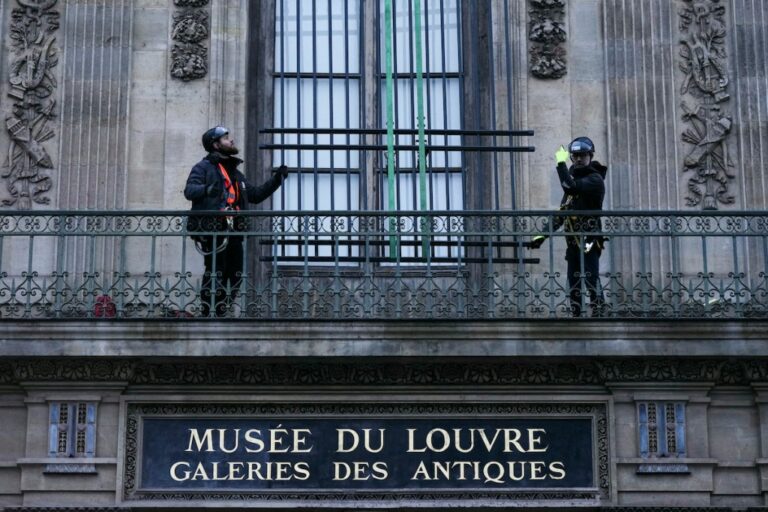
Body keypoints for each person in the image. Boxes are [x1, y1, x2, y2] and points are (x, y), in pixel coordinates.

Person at [185, 126, 288, 317]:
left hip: (233, 229)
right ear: (216, 145)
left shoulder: (235, 172)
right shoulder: (203, 167)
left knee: (236, 274)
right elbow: (189, 191)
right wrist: (207, 190)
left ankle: (222, 309)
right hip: (213, 229)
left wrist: (277, 180)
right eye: (226, 139)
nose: (231, 141)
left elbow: (255, 195)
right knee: (216, 270)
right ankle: (209, 312)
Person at [530, 137, 607, 317]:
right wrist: (540, 236)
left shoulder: (594, 179)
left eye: (582, 155)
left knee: (590, 278)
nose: (579, 159)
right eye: (575, 156)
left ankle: (600, 311)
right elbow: (561, 214)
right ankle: (576, 315)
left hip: (589, 239)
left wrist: (560, 163)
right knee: (573, 283)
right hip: (573, 242)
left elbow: (570, 188)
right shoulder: (574, 183)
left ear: (590, 156)